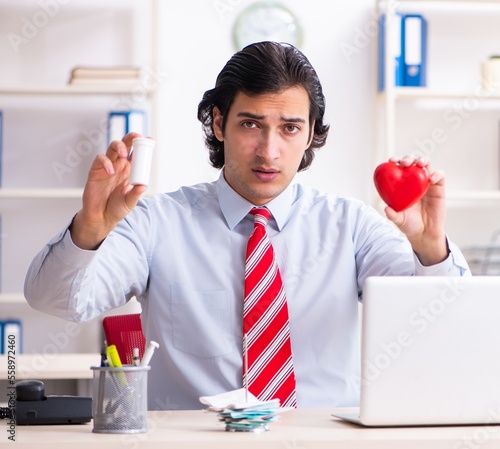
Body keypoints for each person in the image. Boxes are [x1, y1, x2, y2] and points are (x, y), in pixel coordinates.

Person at [24, 41, 470, 410]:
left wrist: (429, 245)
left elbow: (440, 325)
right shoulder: (156, 222)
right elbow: (56, 302)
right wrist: (89, 230)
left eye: (290, 128)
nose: (269, 151)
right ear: (219, 123)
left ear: (312, 132)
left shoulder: (351, 226)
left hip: (321, 440)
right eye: (251, 124)